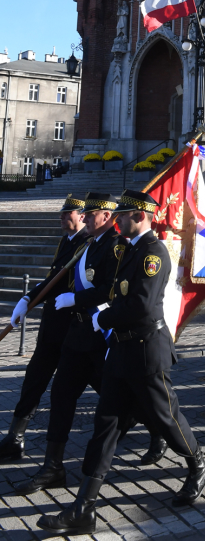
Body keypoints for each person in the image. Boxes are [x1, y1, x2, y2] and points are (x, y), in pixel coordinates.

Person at [36, 189, 205, 533]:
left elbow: (142, 306)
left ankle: (198, 466)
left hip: (147, 351)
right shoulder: (129, 251)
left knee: (167, 419)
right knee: (106, 426)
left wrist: (104, 318)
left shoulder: (153, 253)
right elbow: (114, 291)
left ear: (139, 216)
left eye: (123, 216)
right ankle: (84, 508)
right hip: (121, 350)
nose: (118, 221)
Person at [0, 195, 88, 463]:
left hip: (74, 329)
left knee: (100, 382)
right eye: (62, 213)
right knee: (34, 378)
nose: (62, 217)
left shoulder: (89, 244)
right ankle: (15, 437)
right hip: (52, 326)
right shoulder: (67, 241)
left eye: (67, 214)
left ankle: (143, 419)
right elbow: (53, 278)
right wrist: (27, 299)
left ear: (82, 216)